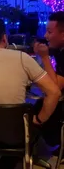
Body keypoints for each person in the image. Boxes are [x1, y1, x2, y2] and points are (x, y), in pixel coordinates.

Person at [0, 17, 61, 168]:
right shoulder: (23, 58)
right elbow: (54, 92)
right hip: (16, 136)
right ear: (5, 37)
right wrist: (40, 119)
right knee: (26, 129)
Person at [34, 11, 64, 148]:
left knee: (39, 108)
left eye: (49, 32)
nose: (46, 36)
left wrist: (45, 57)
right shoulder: (59, 50)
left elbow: (55, 87)